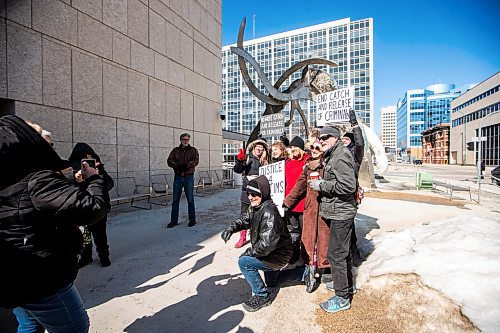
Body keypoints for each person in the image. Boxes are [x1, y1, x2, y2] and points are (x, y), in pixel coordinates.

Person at [0, 115, 109, 332]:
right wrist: (95, 179)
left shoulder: (10, 172)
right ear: (32, 145)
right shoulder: (39, 179)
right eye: (48, 144)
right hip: (42, 279)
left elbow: (30, 196)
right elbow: (93, 208)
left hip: (12, 276)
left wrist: (71, 180)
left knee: (29, 324)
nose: (52, 149)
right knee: (75, 327)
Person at [221, 175, 293, 312]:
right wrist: (231, 228)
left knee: (244, 262)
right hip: (274, 253)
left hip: (277, 255)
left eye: (254, 194)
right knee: (273, 282)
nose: (250, 197)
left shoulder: (269, 212)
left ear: (263, 193)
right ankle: (302, 273)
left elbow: (267, 244)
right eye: (248, 193)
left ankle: (262, 296)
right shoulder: (257, 206)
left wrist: (251, 252)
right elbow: (245, 219)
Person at [309, 126, 357, 313]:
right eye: (320, 138)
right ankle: (345, 286)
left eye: (325, 137)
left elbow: (347, 185)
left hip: (341, 213)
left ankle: (342, 297)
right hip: (336, 211)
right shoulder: (333, 153)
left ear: (336, 138)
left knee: (335, 255)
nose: (321, 141)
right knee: (341, 254)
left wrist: (322, 185)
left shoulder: (340, 155)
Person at [284, 140, 329, 293]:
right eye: (312, 148)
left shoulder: (328, 164)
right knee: (307, 239)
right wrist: (288, 201)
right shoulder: (308, 166)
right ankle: (309, 269)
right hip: (310, 208)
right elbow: (299, 185)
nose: (314, 150)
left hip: (325, 208)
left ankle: (325, 269)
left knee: (324, 240)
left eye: (317, 147)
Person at [68, 143, 115, 267]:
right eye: (85, 157)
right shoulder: (72, 168)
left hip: (98, 206)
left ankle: (104, 257)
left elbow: (110, 183)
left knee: (100, 234)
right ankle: (86, 257)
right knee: (85, 234)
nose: (88, 160)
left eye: (90, 156)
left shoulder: (98, 168)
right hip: (82, 206)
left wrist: (98, 177)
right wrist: (76, 178)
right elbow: (66, 185)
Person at [233, 138, 270, 248]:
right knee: (244, 214)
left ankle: (258, 236)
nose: (259, 148)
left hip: (260, 191)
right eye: (258, 146)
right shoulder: (248, 157)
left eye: (262, 147)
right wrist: (240, 161)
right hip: (247, 190)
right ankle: (242, 237)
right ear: (254, 147)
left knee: (259, 215)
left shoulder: (266, 160)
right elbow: (237, 170)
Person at [341, 109, 365, 267]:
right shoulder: (337, 153)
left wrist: (354, 125)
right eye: (342, 139)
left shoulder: (355, 154)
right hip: (337, 193)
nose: (343, 141)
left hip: (349, 193)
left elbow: (360, 143)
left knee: (348, 224)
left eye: (346, 139)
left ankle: (354, 254)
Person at [283, 136, 309, 263]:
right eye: (291, 147)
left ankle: (305, 257)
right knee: (293, 231)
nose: (292, 150)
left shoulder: (307, 161)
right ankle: (294, 254)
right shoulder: (287, 162)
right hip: (289, 204)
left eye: (295, 147)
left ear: (301, 148)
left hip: (303, 204)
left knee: (305, 232)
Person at [167, 133, 199, 228]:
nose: (185, 141)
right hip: (178, 177)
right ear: (180, 140)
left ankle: (192, 220)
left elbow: (196, 161)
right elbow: (169, 160)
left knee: (190, 199)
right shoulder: (175, 150)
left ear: (189, 140)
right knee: (175, 200)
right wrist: (177, 166)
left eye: (187, 139)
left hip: (188, 177)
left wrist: (187, 166)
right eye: (183, 139)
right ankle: (174, 221)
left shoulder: (193, 150)